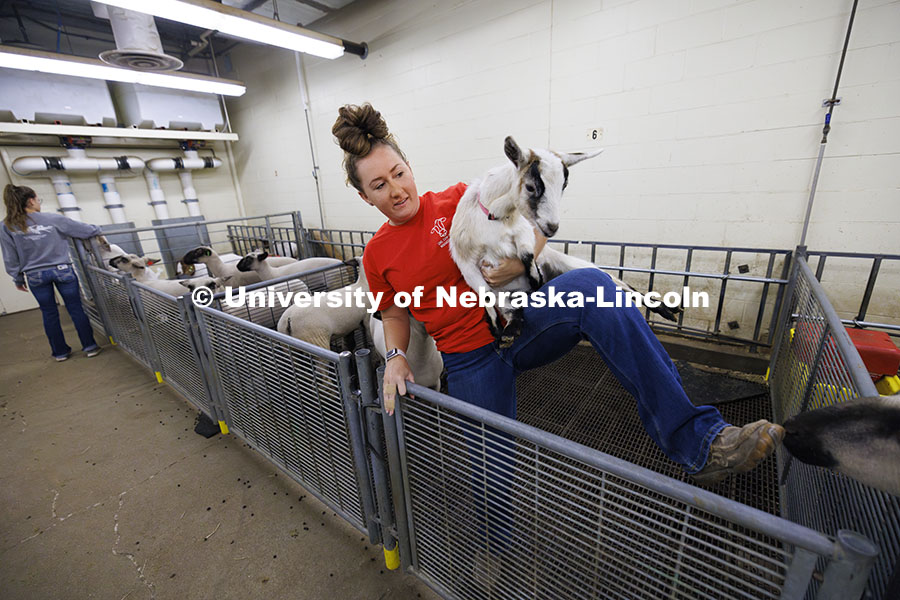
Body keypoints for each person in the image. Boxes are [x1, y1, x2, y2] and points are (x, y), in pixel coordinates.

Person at [332, 103, 784, 489]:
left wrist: (519, 263)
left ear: (409, 167)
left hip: (522, 323)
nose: (396, 190)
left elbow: (535, 224)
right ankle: (495, 551)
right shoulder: (378, 253)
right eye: (379, 185)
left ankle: (699, 442)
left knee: (596, 289)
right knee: (491, 470)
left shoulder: (458, 200)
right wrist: (395, 354)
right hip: (468, 359)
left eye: (399, 173)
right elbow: (391, 311)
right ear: (363, 196)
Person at [2, 184, 102, 362]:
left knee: (48, 313)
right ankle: (90, 346)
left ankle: (60, 352)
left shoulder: (6, 226)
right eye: (37, 199)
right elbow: (87, 230)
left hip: (34, 275)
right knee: (76, 309)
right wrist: (97, 229)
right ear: (31, 200)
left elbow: (10, 256)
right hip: (62, 270)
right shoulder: (52, 219)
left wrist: (17, 278)